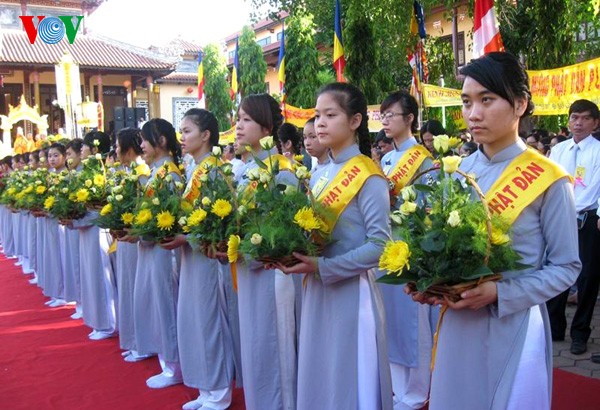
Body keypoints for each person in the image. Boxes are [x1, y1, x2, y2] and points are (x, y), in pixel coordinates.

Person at [409, 51, 580, 409]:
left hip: (511, 325)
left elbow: (566, 267)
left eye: (487, 100)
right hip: (456, 322)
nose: (473, 113)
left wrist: (500, 294)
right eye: (467, 101)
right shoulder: (452, 172)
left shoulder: (548, 179)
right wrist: (429, 284)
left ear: (519, 104)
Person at [280, 82, 393, 410]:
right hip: (317, 288)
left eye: (330, 115)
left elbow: (379, 245)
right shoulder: (319, 174)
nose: (320, 124)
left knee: (350, 377)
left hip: (351, 293)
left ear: (355, 121)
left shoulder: (369, 177)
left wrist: (324, 267)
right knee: (321, 372)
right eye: (317, 116)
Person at [159, 109, 237, 410]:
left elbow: (223, 221)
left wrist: (186, 238)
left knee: (209, 322)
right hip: (191, 256)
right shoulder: (195, 168)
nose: (182, 136)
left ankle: (219, 392)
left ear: (206, 135)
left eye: (188, 130)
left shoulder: (215, 169)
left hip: (206, 258)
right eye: (181, 130)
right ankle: (205, 388)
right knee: (193, 319)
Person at [234, 93, 299, 410]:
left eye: (246, 119)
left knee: (274, 343)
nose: (238, 126)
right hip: (248, 268)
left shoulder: (282, 170)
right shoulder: (243, 169)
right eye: (238, 119)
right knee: (254, 340)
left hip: (273, 273)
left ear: (266, 126)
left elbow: (290, 228)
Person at [378, 90, 436, 410]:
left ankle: (416, 391)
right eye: (383, 115)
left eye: (391, 115)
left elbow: (427, 208)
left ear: (410, 118)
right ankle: (398, 388)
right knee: (392, 320)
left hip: (411, 247)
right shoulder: (386, 158)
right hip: (387, 246)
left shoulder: (423, 159)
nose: (385, 120)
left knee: (413, 321)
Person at [131, 118, 184, 389]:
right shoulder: (156, 172)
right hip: (152, 248)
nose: (141, 145)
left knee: (166, 303)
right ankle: (167, 360)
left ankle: (173, 365)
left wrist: (141, 231)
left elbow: (170, 219)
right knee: (156, 302)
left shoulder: (170, 174)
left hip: (164, 251)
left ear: (161, 141)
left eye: (144, 139)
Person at [546, 99, 600, 355]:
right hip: (560, 218)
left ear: (595, 123)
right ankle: (555, 328)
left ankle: (580, 332)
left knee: (588, 278)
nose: (578, 123)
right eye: (574, 117)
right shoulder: (559, 150)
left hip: (588, 219)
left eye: (584, 118)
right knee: (557, 271)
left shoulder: (598, 150)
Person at [113, 127, 153, 363]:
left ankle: (144, 342)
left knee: (139, 291)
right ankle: (135, 339)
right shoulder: (129, 172)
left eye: (118, 146)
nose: (116, 151)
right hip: (129, 237)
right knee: (129, 288)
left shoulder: (142, 172)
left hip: (138, 237)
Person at [73, 131, 117, 340]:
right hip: (85, 227)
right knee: (89, 273)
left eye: (84, 146)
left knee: (100, 274)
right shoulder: (86, 171)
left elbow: (102, 204)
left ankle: (107, 322)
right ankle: (97, 319)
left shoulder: (102, 171)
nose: (81, 150)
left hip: (96, 228)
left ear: (95, 148)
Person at [61, 138, 84, 319]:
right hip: (75, 225)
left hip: (86, 227)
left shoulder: (87, 174)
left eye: (70, 154)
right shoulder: (72, 175)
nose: (67, 158)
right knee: (75, 263)